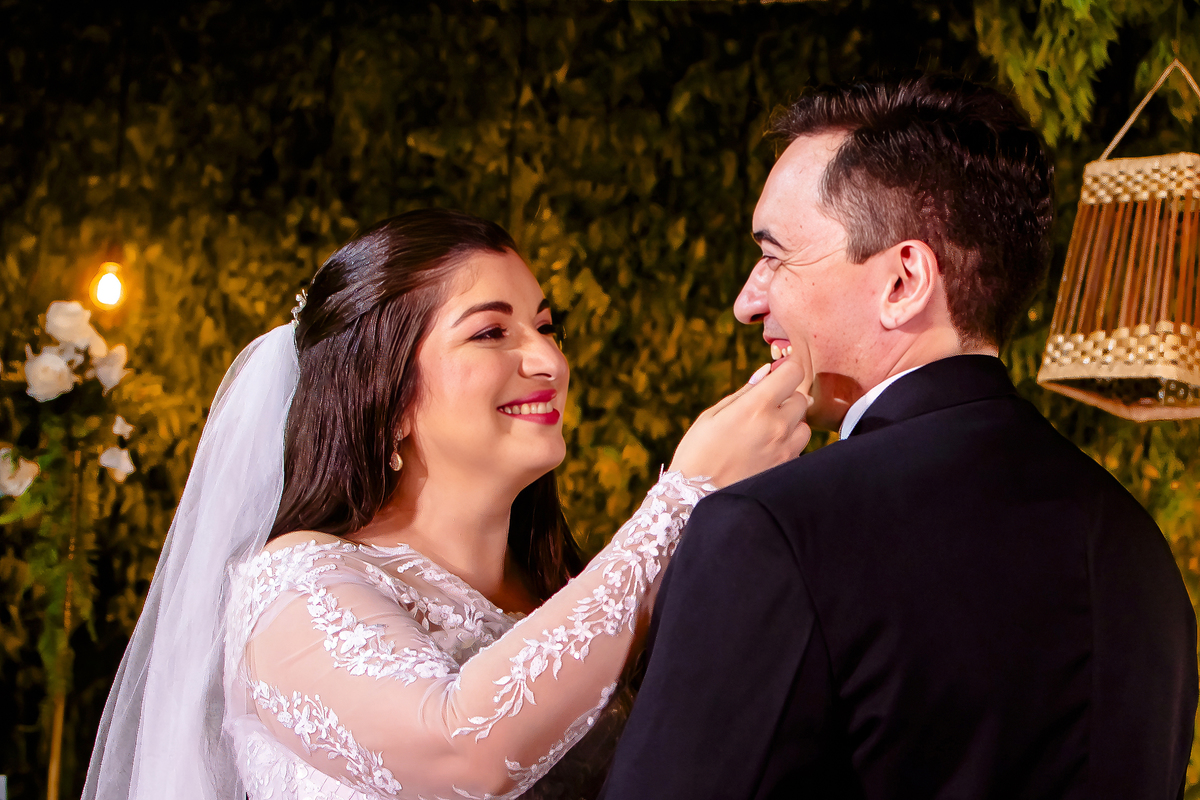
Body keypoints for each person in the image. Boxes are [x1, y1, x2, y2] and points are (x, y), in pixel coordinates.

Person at [600, 75, 1198, 800]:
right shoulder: (1139, 550)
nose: (747, 300)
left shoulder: (771, 530)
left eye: (776, 255)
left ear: (903, 280)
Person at [81, 209, 812, 800]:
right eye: (493, 332)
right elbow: (463, 752)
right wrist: (681, 500)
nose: (550, 361)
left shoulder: (565, 588)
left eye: (547, 326)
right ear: (388, 395)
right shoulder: (296, 586)